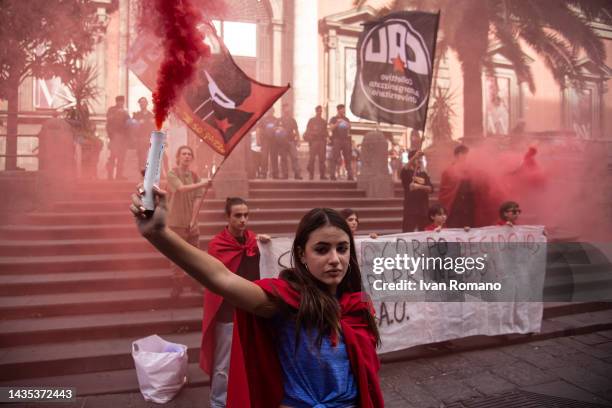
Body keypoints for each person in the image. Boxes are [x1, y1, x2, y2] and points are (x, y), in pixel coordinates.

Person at [130, 194, 384, 407]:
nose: (334, 259)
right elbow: (221, 278)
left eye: (342, 248)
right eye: (321, 249)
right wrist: (160, 234)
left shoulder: (357, 307)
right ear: (301, 254)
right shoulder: (286, 301)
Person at [202, 197, 270, 408]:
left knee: (251, 358)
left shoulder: (253, 242)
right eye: (238, 215)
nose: (243, 220)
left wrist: (266, 246)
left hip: (251, 311)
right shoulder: (217, 245)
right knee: (223, 363)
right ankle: (218, 403)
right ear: (227, 217)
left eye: (246, 215)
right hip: (227, 312)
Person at [166, 145, 209, 297]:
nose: (186, 156)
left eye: (189, 154)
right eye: (183, 154)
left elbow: (198, 199)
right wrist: (203, 183)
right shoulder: (172, 173)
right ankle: (177, 285)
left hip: (191, 224)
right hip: (175, 221)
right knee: (177, 255)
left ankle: (195, 283)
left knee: (195, 255)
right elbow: (181, 189)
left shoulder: (195, 176)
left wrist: (193, 220)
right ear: (178, 157)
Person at [439, 145, 475, 229]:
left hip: (468, 207)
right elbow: (445, 191)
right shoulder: (448, 171)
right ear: (459, 155)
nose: (467, 157)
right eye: (465, 154)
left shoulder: (470, 170)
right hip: (455, 207)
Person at [401, 151, 434, 232]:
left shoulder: (424, 174)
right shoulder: (407, 172)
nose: (419, 161)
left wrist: (419, 187)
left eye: (421, 159)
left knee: (424, 233)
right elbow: (405, 168)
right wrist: (415, 156)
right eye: (417, 159)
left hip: (423, 209)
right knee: (407, 232)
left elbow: (431, 189)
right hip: (411, 209)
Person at [105, 95, 130, 180]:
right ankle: (110, 175)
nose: (121, 103)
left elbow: (128, 123)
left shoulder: (125, 111)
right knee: (113, 155)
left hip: (123, 136)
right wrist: (117, 113)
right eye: (120, 101)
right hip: (114, 135)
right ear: (117, 101)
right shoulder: (111, 110)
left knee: (121, 156)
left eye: (122, 101)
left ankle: (119, 175)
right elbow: (109, 120)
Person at [275, 105, 303, 180]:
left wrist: (299, 140)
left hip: (291, 141)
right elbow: (275, 130)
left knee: (294, 158)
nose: (287, 110)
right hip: (282, 142)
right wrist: (278, 129)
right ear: (283, 109)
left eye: (288, 108)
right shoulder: (279, 120)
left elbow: (296, 130)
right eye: (285, 108)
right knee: (283, 159)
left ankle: (297, 174)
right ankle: (285, 174)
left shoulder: (292, 120)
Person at [329, 104, 353, 181]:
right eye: (342, 109)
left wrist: (344, 122)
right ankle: (332, 175)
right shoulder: (333, 118)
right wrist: (337, 123)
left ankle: (350, 175)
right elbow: (331, 128)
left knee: (347, 158)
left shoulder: (346, 119)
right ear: (338, 110)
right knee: (335, 157)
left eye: (344, 109)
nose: (344, 111)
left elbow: (349, 127)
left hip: (345, 140)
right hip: (337, 140)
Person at [304, 105, 328, 180]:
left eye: (321, 111)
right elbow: (308, 130)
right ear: (316, 111)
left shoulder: (323, 121)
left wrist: (325, 136)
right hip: (314, 141)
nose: (320, 112)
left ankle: (322, 175)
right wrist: (313, 134)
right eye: (319, 111)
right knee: (312, 159)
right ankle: (311, 174)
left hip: (321, 141)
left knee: (322, 159)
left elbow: (326, 131)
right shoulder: (312, 120)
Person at [132, 96, 155, 171]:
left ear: (147, 104)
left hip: (149, 137)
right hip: (140, 138)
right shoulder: (136, 115)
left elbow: (154, 126)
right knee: (141, 156)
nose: (143, 104)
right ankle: (142, 173)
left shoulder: (151, 115)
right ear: (139, 104)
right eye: (141, 102)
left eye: (144, 102)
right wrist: (138, 123)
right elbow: (132, 127)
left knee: (151, 156)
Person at [257, 110, 277, 179]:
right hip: (265, 140)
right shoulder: (263, 120)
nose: (271, 112)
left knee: (274, 157)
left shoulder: (276, 119)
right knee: (264, 157)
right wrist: (258, 140)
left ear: (273, 111)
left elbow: (279, 129)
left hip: (274, 141)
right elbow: (259, 129)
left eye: (272, 111)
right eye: (270, 110)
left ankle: (275, 173)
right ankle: (263, 173)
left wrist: (276, 129)